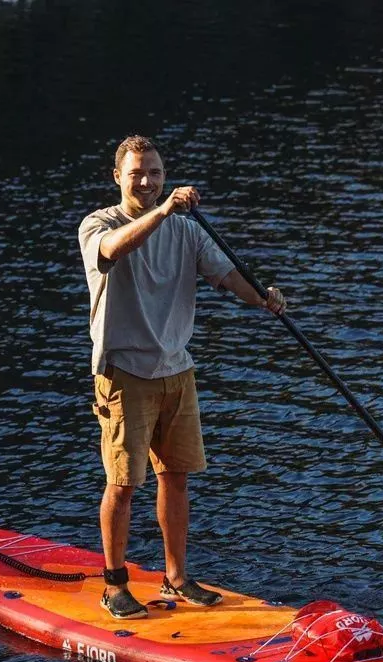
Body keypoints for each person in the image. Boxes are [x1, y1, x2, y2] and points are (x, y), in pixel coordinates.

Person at [78, 134, 287, 620]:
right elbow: (114, 249)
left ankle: (176, 578)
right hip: (124, 372)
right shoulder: (99, 224)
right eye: (136, 173)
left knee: (176, 478)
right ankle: (115, 585)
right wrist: (166, 211)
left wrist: (264, 298)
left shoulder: (188, 231)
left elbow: (228, 276)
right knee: (124, 483)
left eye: (154, 172)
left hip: (177, 369)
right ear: (118, 177)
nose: (147, 181)